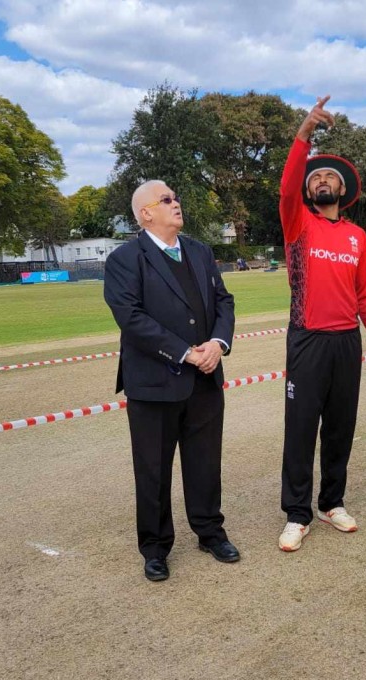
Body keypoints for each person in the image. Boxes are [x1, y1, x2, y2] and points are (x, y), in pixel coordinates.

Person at [276, 95, 366, 552]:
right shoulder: (298, 224)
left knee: (341, 426)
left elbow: (365, 293)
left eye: (330, 177)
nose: (322, 180)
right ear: (308, 192)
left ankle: (332, 503)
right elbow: (287, 187)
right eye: (315, 177)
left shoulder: (357, 236)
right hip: (307, 341)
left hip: (347, 343)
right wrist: (304, 133)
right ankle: (296, 513)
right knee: (301, 427)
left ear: (342, 190)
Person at [103, 179, 239, 582]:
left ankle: (210, 532)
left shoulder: (200, 251)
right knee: (153, 469)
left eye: (176, 197)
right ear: (146, 213)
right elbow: (131, 317)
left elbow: (223, 302)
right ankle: (156, 547)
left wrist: (217, 342)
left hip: (205, 379)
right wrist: (185, 352)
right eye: (167, 200)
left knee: (205, 462)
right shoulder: (125, 260)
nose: (176, 203)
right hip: (154, 383)